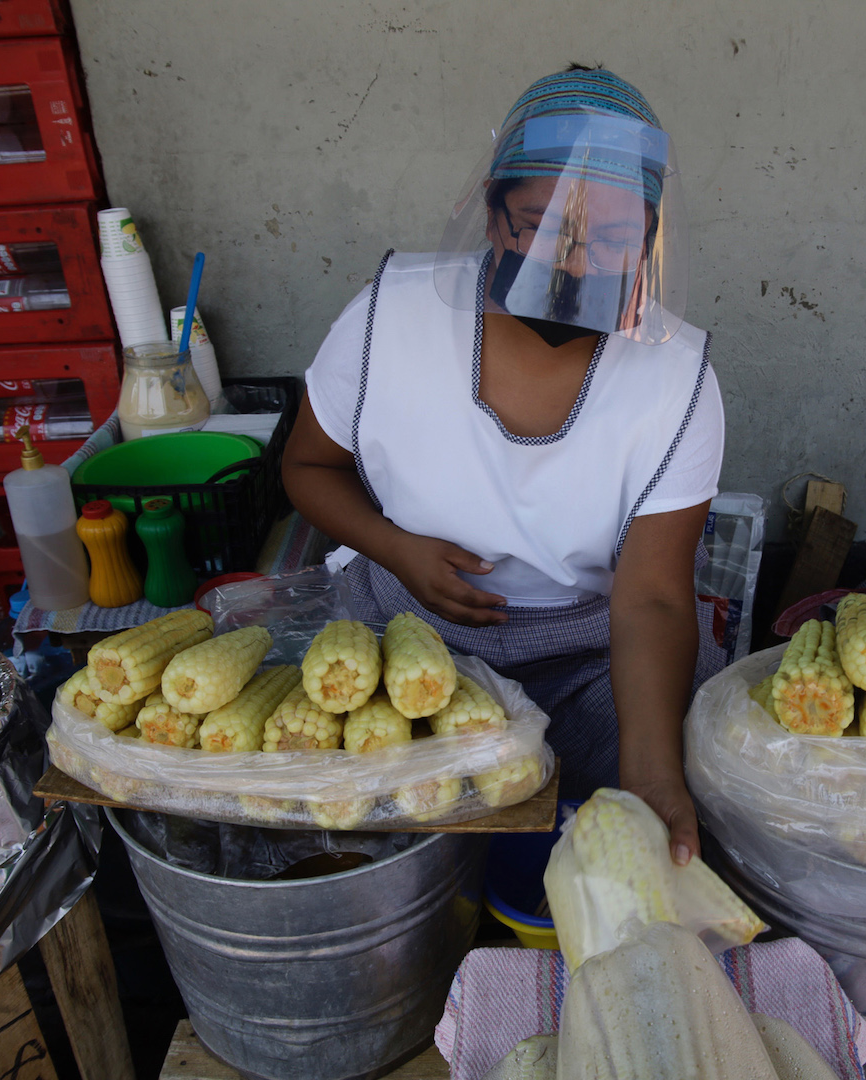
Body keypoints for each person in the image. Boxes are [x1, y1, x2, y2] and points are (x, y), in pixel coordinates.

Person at [283, 67, 724, 864]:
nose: (580, 265)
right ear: (492, 219)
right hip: (408, 631)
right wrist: (395, 547)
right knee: (358, 824)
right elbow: (309, 467)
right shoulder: (391, 316)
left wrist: (653, 778)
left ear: (653, 235)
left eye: (619, 240)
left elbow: (655, 601)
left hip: (591, 657)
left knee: (683, 809)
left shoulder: (677, 377)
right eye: (545, 227)